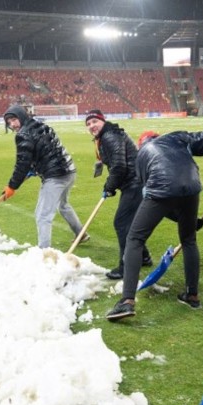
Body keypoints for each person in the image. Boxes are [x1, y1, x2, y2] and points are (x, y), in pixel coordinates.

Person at [105, 130, 203, 321]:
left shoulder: (141, 156)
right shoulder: (177, 138)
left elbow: (156, 200)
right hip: (191, 187)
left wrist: (178, 216)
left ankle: (127, 301)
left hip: (160, 188)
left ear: (141, 144)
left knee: (135, 238)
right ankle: (192, 295)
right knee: (189, 239)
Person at [3, 105, 86, 249]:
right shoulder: (40, 125)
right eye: (9, 122)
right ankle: (81, 234)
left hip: (56, 176)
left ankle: (44, 252)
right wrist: (34, 168)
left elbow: (22, 163)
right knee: (63, 205)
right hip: (69, 171)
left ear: (22, 116)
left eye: (14, 120)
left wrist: (12, 186)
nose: (12, 124)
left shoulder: (23, 134)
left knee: (43, 215)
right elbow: (45, 150)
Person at [83, 110, 153, 279]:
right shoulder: (106, 135)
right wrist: (112, 185)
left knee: (122, 223)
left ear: (102, 121)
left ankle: (125, 266)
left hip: (135, 183)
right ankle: (143, 257)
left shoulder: (109, 136)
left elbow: (119, 166)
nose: (91, 126)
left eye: (94, 121)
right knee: (129, 223)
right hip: (134, 182)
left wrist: (110, 186)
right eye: (88, 124)